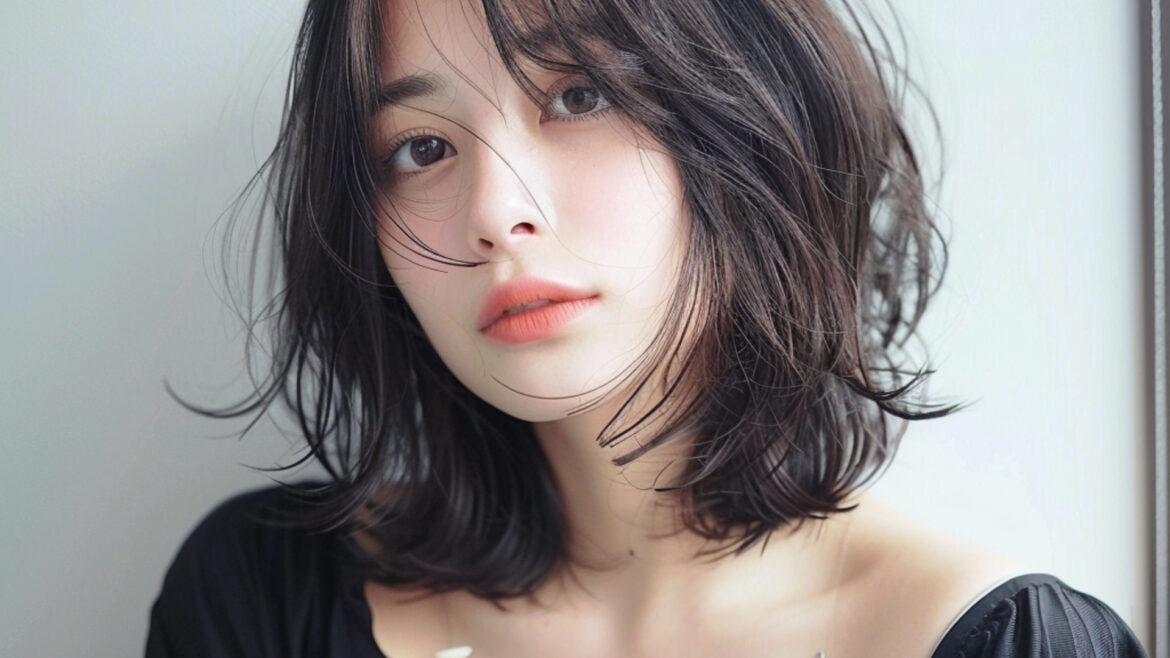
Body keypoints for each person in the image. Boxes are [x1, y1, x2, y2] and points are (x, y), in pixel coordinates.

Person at [145, 0, 1149, 656]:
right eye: (420, 148)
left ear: (749, 121)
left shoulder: (1009, 642)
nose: (495, 209)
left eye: (578, 94)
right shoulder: (265, 598)